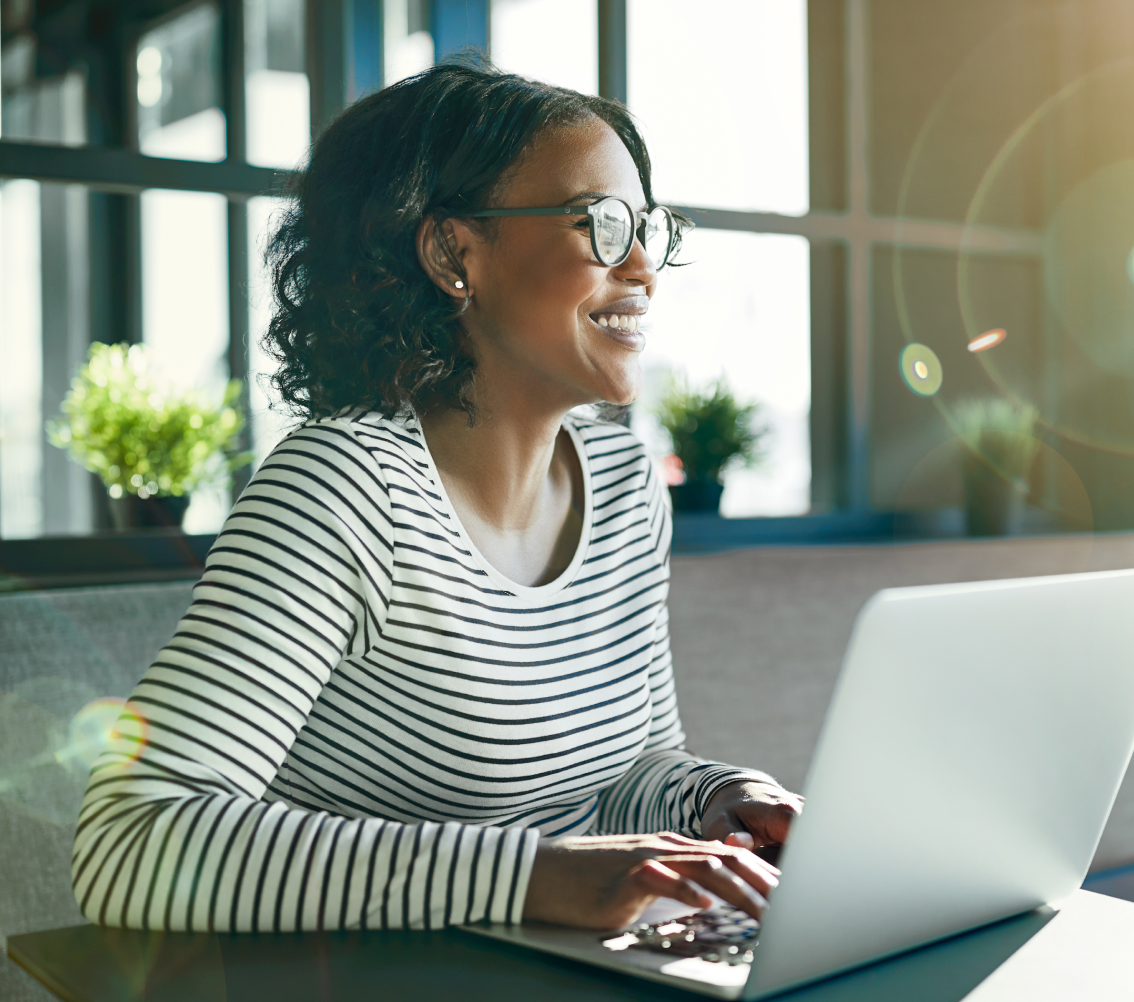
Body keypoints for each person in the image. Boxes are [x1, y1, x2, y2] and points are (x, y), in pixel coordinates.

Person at [72, 62, 802, 934]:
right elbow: (129, 837)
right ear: (454, 253)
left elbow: (627, 768)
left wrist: (717, 800)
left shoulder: (623, 484)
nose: (643, 267)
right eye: (602, 226)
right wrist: (532, 877)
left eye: (648, 227)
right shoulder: (340, 491)